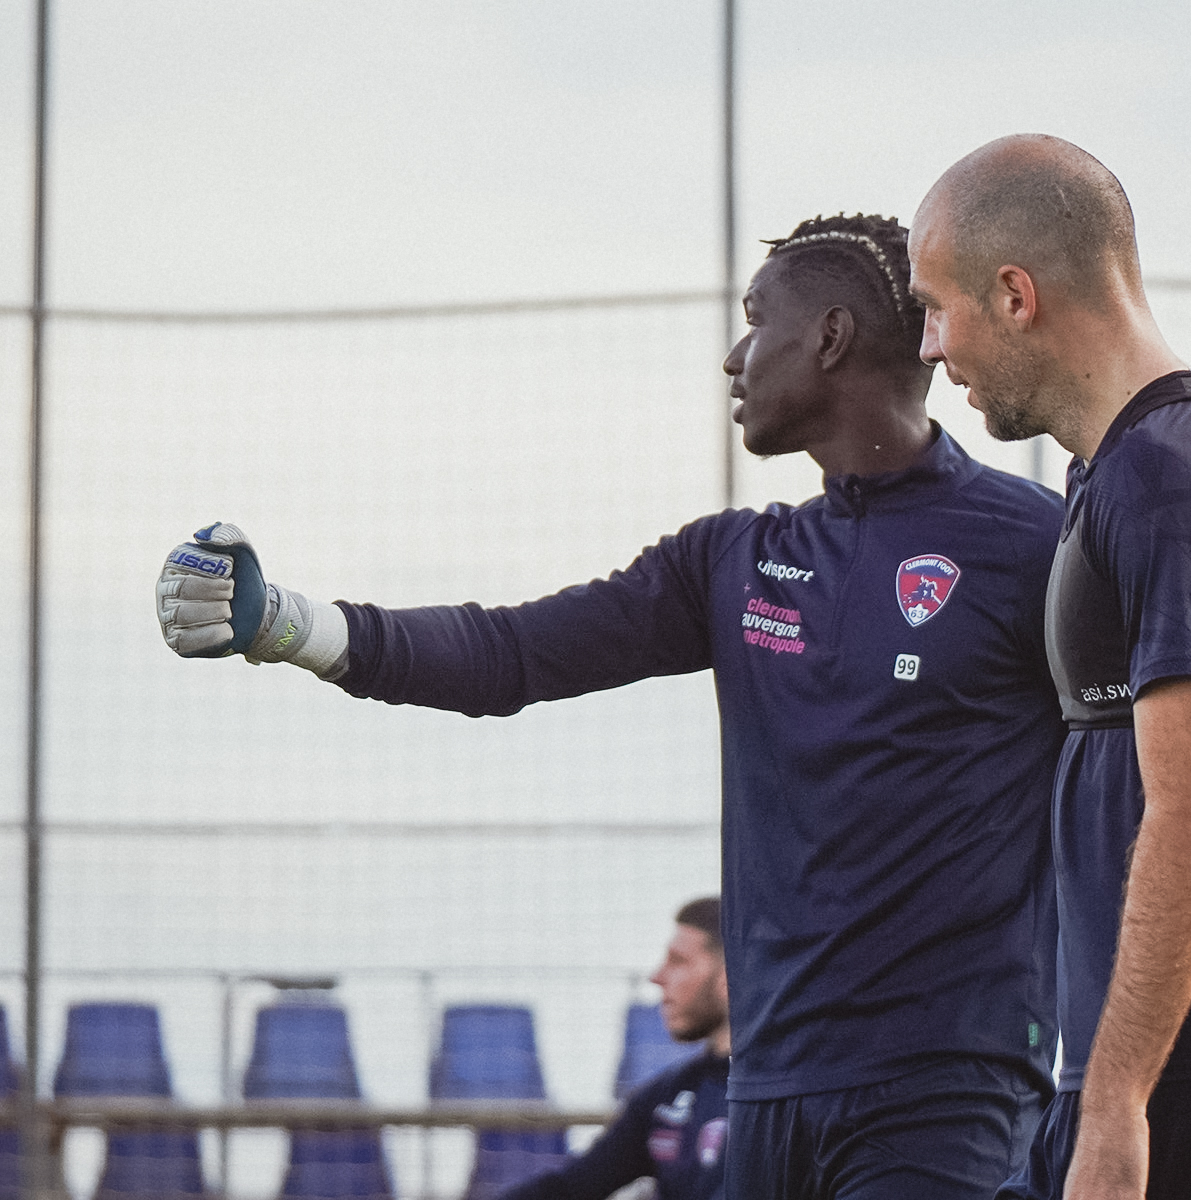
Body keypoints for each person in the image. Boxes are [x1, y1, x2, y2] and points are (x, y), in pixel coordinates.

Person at [156, 213, 1066, 1200]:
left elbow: (1148, 786)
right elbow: (511, 652)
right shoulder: (732, 560)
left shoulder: (1034, 544)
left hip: (944, 1088)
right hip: (768, 1086)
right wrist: (286, 623)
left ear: (830, 339)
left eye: (757, 323)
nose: (733, 356)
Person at [907, 137, 1191, 1200]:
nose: (931, 346)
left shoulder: (1176, 473)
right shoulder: (1121, 471)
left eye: (938, 307)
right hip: (1155, 1071)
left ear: (1015, 294)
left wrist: (1114, 1108)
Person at [500, 896, 729, 1200]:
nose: (657, 977)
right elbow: (572, 1186)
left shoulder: (787, 1097)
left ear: (732, 974)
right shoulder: (669, 1095)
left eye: (679, 961)